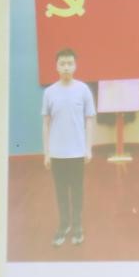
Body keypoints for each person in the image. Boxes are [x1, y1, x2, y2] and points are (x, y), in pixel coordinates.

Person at [42, 47, 95, 246]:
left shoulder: (83, 90)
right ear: (56, 66)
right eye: (62, 63)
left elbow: (89, 120)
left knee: (77, 191)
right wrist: (46, 153)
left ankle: (77, 225)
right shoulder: (49, 92)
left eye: (70, 63)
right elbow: (46, 124)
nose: (66, 67)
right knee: (61, 192)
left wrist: (88, 148)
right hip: (57, 154)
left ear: (75, 65)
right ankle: (63, 225)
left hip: (77, 153)